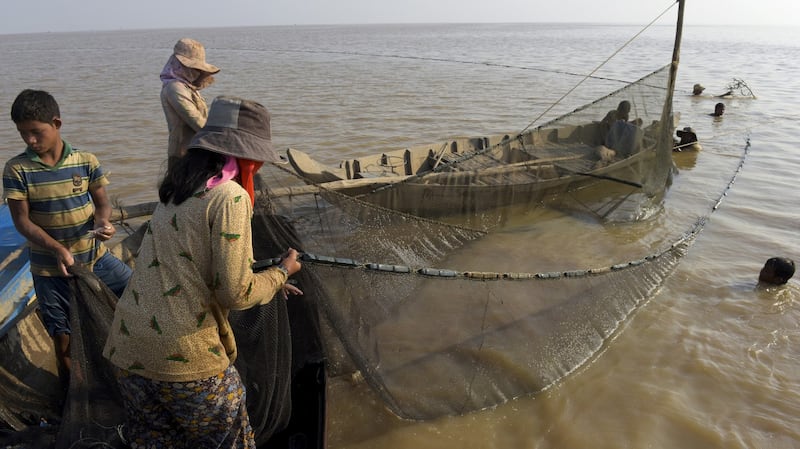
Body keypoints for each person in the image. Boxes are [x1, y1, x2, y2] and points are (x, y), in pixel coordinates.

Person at [103, 96, 302, 448]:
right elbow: (235, 293)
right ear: (246, 156)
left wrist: (268, 281)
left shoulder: (177, 187)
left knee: (157, 442)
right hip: (184, 358)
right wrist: (281, 273)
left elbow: (189, 263)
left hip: (129, 348)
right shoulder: (230, 197)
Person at [2, 89, 132, 393]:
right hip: (50, 269)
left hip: (94, 258)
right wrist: (57, 248)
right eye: (23, 134)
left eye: (36, 132)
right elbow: (22, 220)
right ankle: (74, 394)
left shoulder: (85, 161)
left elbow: (102, 204)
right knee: (62, 337)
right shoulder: (17, 169)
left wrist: (103, 222)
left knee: (137, 294)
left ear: (56, 123)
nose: (30, 140)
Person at [161, 37, 220, 170]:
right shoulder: (174, 88)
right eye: (194, 68)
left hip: (198, 149)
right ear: (180, 65)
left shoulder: (188, 87)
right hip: (183, 155)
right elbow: (195, 119)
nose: (197, 72)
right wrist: (221, 139)